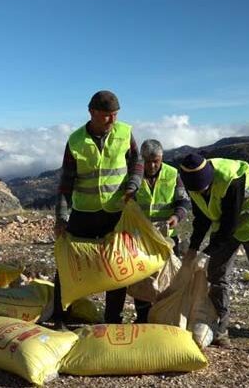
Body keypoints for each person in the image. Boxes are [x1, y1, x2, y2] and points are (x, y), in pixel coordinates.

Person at [52, 90, 143, 328]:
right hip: (84, 213)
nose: (112, 120)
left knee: (118, 265)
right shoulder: (75, 140)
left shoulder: (125, 132)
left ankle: (112, 320)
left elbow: (137, 163)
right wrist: (61, 217)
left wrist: (133, 184)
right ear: (92, 112)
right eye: (106, 115)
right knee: (70, 263)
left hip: (115, 212)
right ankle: (60, 316)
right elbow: (66, 182)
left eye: (115, 114)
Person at [179, 153, 249, 357]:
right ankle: (220, 329)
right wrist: (193, 249)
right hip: (227, 223)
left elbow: (229, 226)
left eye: (204, 188)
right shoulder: (192, 184)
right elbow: (202, 218)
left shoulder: (231, 179)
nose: (202, 192)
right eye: (197, 190)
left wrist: (205, 254)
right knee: (217, 275)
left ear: (210, 178)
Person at [132, 139, 190, 322]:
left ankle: (163, 315)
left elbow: (183, 202)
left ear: (162, 158)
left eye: (155, 160)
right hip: (140, 238)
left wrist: (176, 217)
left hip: (167, 239)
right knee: (141, 280)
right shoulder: (134, 176)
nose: (151, 165)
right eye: (147, 161)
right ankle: (142, 317)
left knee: (168, 280)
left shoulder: (173, 174)